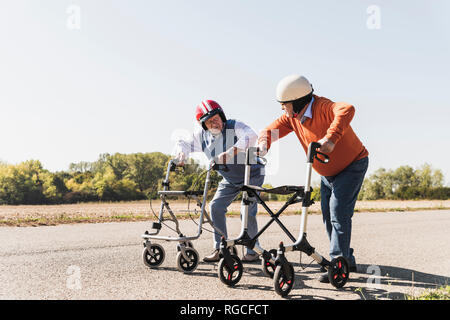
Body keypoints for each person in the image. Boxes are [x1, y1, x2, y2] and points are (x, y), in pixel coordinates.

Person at [258, 75, 369, 282]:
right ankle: (346, 259)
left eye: (285, 106)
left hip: (352, 165)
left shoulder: (322, 106)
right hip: (328, 173)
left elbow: (347, 109)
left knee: (338, 213)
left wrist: (331, 138)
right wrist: (264, 144)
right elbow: (269, 130)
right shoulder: (293, 118)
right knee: (328, 214)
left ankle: (337, 264)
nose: (283, 110)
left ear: (298, 101)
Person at [174, 99, 265, 263]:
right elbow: (183, 143)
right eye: (208, 122)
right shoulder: (202, 136)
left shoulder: (234, 125)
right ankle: (222, 247)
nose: (214, 123)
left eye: (215, 118)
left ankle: (253, 249)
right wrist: (182, 154)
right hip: (229, 179)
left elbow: (252, 135)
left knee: (247, 210)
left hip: (252, 173)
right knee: (215, 206)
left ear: (221, 115)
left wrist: (230, 153)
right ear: (204, 126)